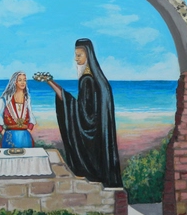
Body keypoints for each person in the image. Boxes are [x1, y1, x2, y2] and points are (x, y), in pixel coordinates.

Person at [35, 38, 123, 187]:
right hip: (101, 136)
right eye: (75, 55)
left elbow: (82, 114)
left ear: (88, 55)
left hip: (93, 137)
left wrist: (51, 83)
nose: (76, 59)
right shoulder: (99, 80)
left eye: (79, 55)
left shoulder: (87, 80)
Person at [0, 71, 36, 148]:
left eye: (24, 80)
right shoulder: (5, 99)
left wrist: (28, 131)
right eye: (20, 80)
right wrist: (3, 132)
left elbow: (31, 118)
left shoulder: (27, 99)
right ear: (14, 82)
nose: (23, 82)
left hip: (25, 137)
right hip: (10, 137)